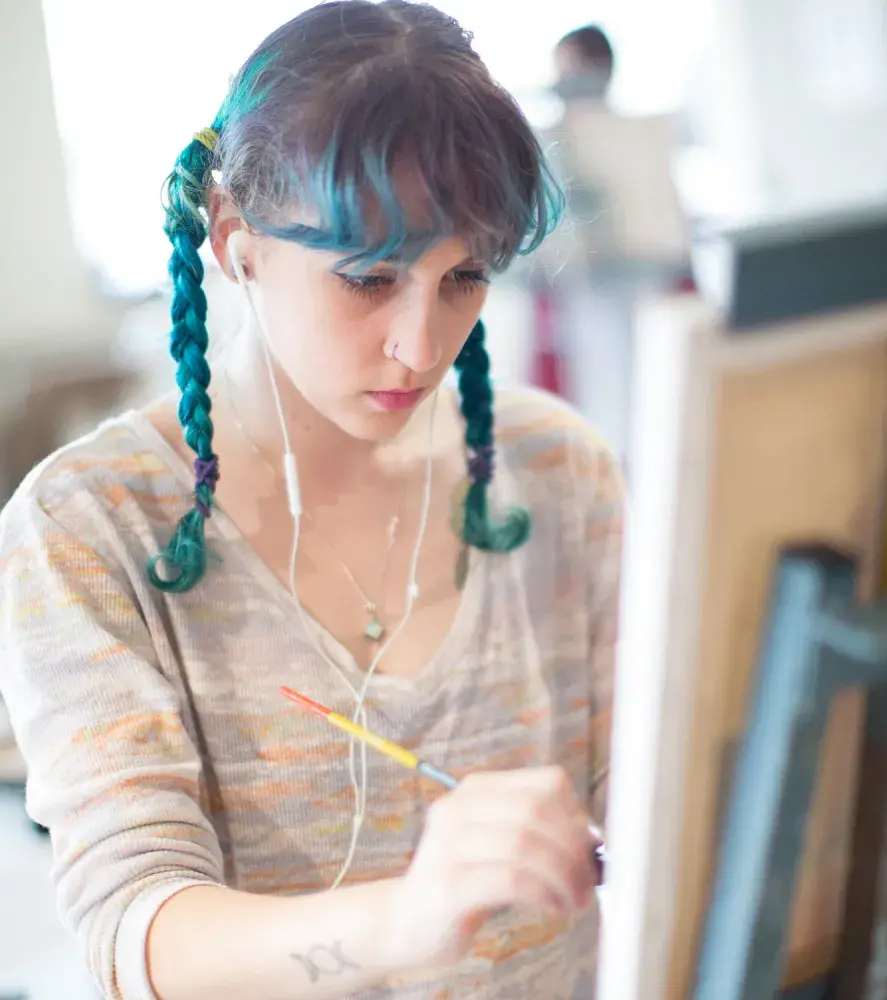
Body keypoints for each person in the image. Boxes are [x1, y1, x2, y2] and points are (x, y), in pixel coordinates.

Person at [0, 3, 624, 1000]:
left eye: (463, 277)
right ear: (237, 243)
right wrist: (409, 916)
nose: (421, 346)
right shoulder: (87, 527)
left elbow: (656, 802)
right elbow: (135, 931)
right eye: (368, 279)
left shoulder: (560, 472)